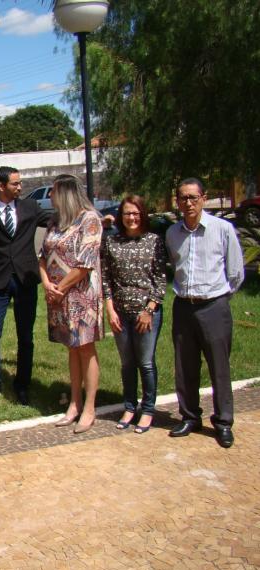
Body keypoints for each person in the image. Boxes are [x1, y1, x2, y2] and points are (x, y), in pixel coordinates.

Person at [166, 177, 244, 448]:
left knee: (219, 367)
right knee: (185, 366)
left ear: (203, 198)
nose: (188, 203)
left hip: (213, 306)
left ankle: (223, 422)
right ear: (177, 202)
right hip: (183, 307)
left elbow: (236, 273)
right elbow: (174, 266)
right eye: (183, 198)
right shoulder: (172, 233)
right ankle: (190, 416)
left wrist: (219, 297)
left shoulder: (222, 229)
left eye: (193, 197)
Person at [0, 166, 52, 405]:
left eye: (19, 183)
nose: (20, 187)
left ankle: (22, 384)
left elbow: (56, 220)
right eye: (15, 183)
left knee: (25, 336)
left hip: (26, 279)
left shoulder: (30, 207)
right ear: (1, 186)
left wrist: (88, 217)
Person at [39, 174, 103, 434]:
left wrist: (60, 288)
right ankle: (74, 403)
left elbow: (85, 263)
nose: (50, 196)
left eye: (53, 191)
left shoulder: (89, 220)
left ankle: (90, 407)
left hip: (80, 297)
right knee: (72, 349)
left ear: (65, 193)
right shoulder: (55, 222)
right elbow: (42, 255)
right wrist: (47, 283)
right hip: (57, 297)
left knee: (85, 348)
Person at [102, 196, 167, 433]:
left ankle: (147, 410)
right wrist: (110, 310)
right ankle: (129, 407)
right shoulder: (111, 242)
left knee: (145, 363)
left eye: (136, 213)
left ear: (143, 215)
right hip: (120, 313)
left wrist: (149, 310)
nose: (132, 217)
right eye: (127, 213)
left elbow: (160, 280)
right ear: (121, 216)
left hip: (146, 314)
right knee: (127, 363)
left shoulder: (154, 241)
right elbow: (106, 279)